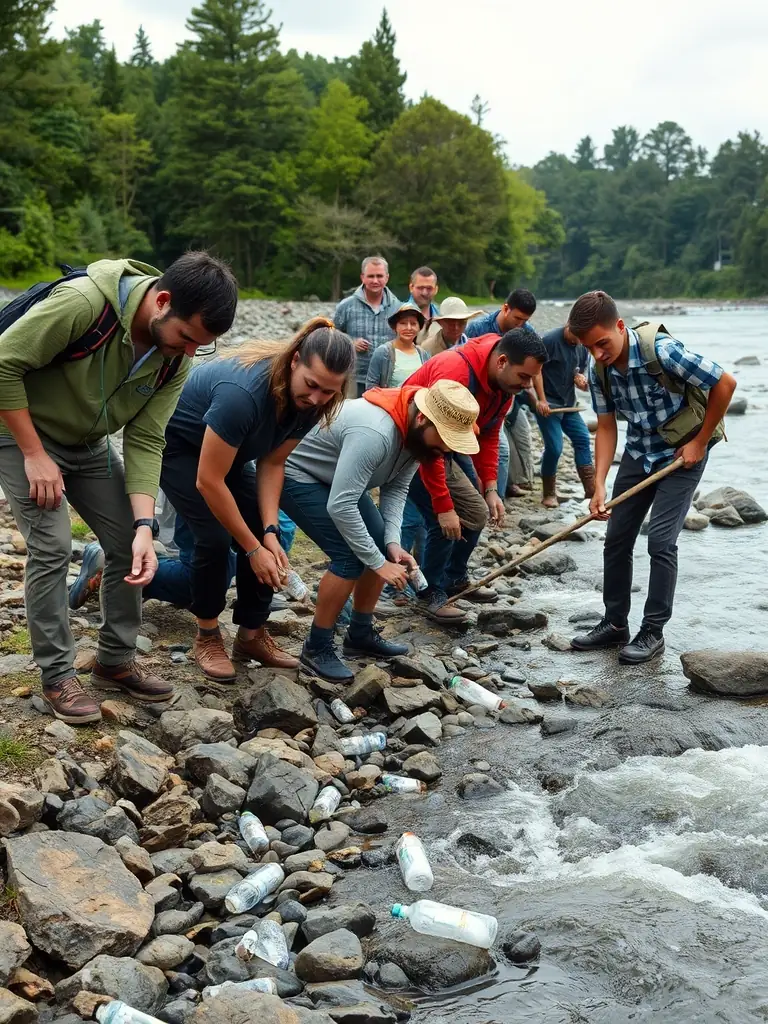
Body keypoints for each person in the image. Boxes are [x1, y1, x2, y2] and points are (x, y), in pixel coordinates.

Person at [0, 252, 238, 723]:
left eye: (201, 346)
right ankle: (57, 676)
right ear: (163, 301)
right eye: (187, 337)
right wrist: (33, 454)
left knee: (130, 544)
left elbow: (147, 439)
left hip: (88, 444)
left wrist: (146, 526)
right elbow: (3, 364)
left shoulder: (176, 358)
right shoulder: (84, 304)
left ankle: (114, 660)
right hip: (20, 431)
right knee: (52, 544)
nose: (190, 352)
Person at [152, 318, 354, 682]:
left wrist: (271, 533)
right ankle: (208, 634)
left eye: (329, 392)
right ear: (295, 361)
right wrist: (250, 548)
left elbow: (273, 462)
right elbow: (209, 480)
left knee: (265, 534)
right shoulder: (242, 394)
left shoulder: (315, 400)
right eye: (311, 385)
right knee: (212, 538)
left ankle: (251, 634)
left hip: (231, 451)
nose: (316, 399)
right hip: (180, 448)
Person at [568, 291, 736, 664]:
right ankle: (614, 624)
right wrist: (597, 487)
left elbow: (725, 383)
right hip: (639, 454)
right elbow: (608, 428)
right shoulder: (599, 370)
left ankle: (653, 630)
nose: (597, 354)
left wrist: (700, 440)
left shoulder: (664, 352)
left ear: (621, 327)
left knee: (661, 541)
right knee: (616, 539)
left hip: (682, 454)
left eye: (602, 344)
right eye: (589, 347)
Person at [281, 380, 481, 681]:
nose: (446, 448)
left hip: (338, 479)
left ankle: (359, 634)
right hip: (297, 473)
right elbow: (341, 507)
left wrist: (391, 544)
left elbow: (397, 489)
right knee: (349, 557)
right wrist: (378, 563)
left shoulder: (419, 439)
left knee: (377, 542)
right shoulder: (375, 432)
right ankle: (316, 648)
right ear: (422, 418)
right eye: (444, 438)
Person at [404, 330, 548, 617]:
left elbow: (490, 434)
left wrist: (491, 487)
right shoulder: (455, 371)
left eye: (532, 378)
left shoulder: (506, 388)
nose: (528, 385)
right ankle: (430, 592)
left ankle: (453, 578)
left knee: (477, 513)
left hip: (450, 445)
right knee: (445, 519)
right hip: (414, 447)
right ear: (502, 362)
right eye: (523, 376)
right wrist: (444, 506)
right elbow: (428, 447)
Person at [534, 324, 595, 507]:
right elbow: (536, 371)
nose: (579, 341)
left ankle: (591, 490)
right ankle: (549, 493)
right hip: (549, 405)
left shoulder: (582, 345)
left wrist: (580, 380)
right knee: (555, 448)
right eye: (577, 336)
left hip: (569, 404)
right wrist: (541, 400)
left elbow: (578, 370)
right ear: (569, 325)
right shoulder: (550, 341)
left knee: (583, 438)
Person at [333, 256, 399, 397]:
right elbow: (331, 334)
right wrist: (350, 342)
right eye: (371, 276)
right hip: (354, 379)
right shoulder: (346, 306)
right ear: (362, 277)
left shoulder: (398, 308)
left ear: (387, 277)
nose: (375, 281)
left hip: (387, 380)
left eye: (379, 276)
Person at [365, 304, 430, 390]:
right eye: (403, 323)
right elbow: (371, 387)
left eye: (413, 323)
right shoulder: (383, 352)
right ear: (395, 327)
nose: (409, 328)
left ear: (419, 327)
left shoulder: (423, 354)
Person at [464, 288, 537, 339]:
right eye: (517, 318)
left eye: (525, 320)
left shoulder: (529, 332)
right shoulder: (477, 328)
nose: (520, 324)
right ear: (505, 309)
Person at [407, 266, 440, 344]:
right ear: (411, 287)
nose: (424, 293)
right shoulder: (398, 315)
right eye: (420, 288)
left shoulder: (441, 316)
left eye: (429, 288)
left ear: (436, 290)